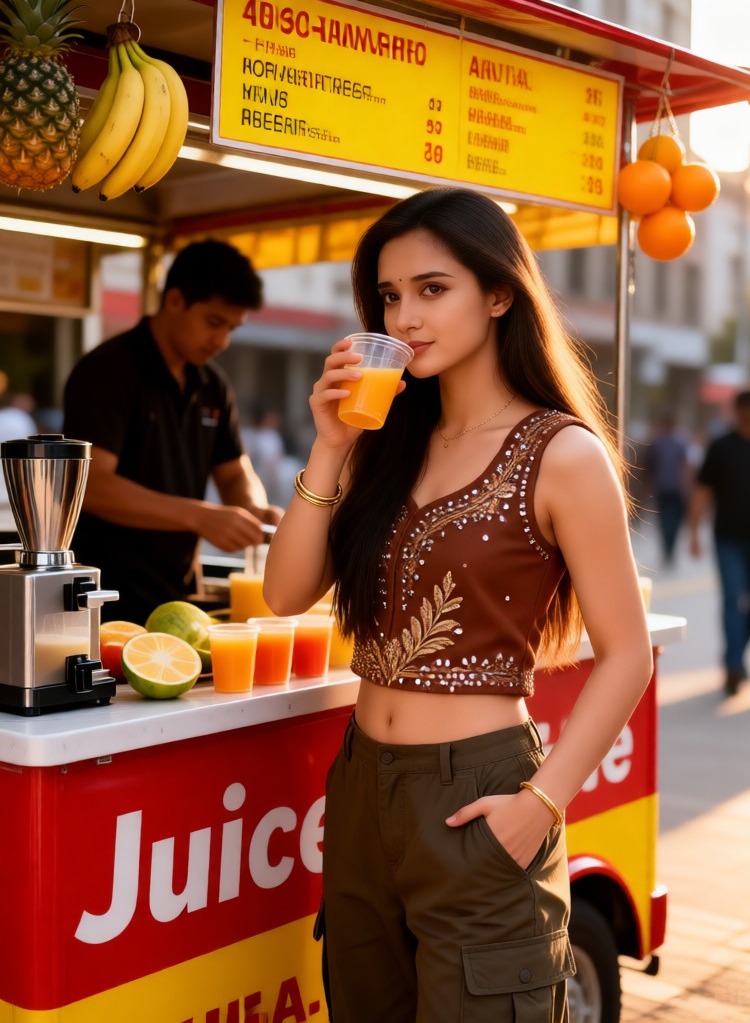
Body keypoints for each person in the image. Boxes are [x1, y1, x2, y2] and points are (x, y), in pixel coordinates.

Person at [263, 188, 652, 1021]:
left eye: (432, 289)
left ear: (499, 293)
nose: (406, 317)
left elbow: (626, 651)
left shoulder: (561, 452)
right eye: (391, 296)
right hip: (363, 788)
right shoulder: (387, 440)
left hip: (481, 791)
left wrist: (541, 805)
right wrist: (331, 446)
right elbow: (286, 591)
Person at [63, 239, 281, 625]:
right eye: (214, 323)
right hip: (102, 598)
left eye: (231, 328)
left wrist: (254, 509)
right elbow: (91, 486)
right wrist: (198, 516)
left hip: (177, 598)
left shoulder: (212, 383)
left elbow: (234, 471)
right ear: (175, 300)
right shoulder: (110, 371)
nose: (222, 341)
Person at [688, 388, 750, 696]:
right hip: (729, 539)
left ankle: (736, 655)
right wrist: (694, 533)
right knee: (733, 599)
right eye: (746, 407)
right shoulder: (721, 447)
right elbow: (702, 490)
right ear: (736, 411)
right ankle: (734, 664)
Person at [643, 411, 691, 566]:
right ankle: (670, 548)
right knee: (674, 522)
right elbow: (685, 468)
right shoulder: (681, 442)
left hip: (662, 487)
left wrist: (649, 487)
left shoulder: (657, 442)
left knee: (665, 521)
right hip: (675, 488)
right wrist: (687, 487)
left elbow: (650, 467)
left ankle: (667, 549)